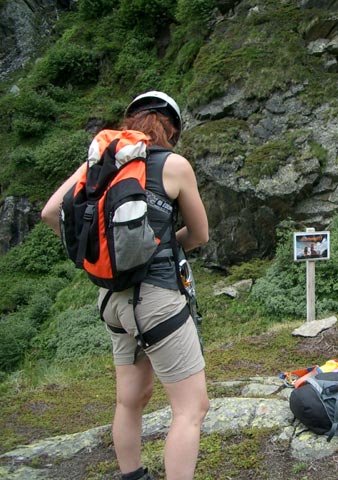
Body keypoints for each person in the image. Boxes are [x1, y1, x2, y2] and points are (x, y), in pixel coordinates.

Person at [41, 91, 210, 480]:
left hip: (111, 300)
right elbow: (200, 234)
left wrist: (98, 256)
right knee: (190, 409)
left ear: (130, 120)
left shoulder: (99, 161)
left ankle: (132, 476)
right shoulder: (174, 164)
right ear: (172, 129)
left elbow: (52, 212)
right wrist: (159, 249)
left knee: (130, 400)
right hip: (157, 301)